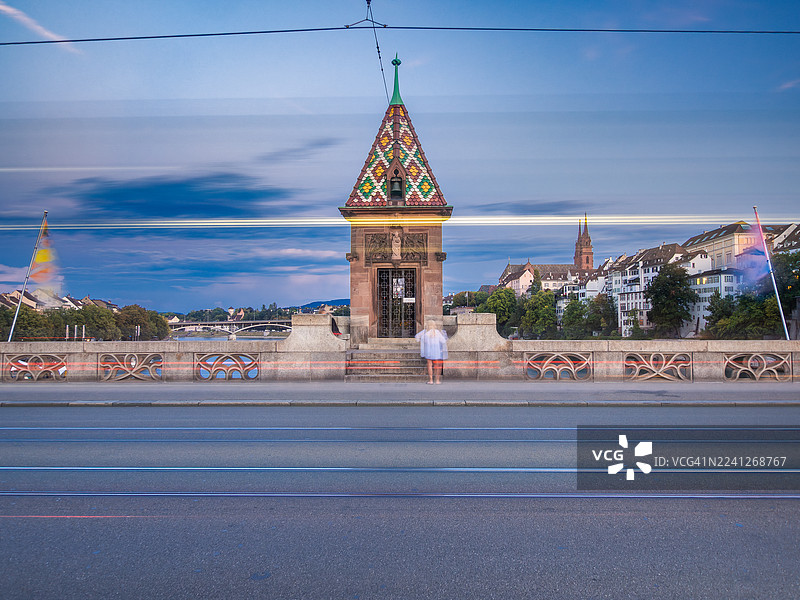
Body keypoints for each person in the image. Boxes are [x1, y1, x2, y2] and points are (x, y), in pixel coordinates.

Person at [415, 320, 448, 384]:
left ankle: (431, 380)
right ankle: (437, 380)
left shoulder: (425, 332)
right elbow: (443, 341)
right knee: (437, 366)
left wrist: (422, 341)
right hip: (437, 351)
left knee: (429, 365)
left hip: (428, 351)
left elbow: (417, 337)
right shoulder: (437, 332)